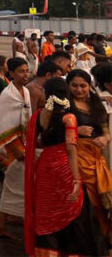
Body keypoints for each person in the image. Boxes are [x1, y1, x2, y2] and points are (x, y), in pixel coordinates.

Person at [24, 76, 107, 257]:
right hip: (64, 166)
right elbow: (70, 149)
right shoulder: (69, 118)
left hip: (45, 166)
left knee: (47, 208)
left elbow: (36, 143)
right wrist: (77, 179)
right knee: (73, 210)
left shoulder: (40, 116)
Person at [0, 57, 31, 240]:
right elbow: (2, 125)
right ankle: (0, 226)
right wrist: (15, 149)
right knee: (13, 185)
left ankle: (12, 217)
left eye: (27, 71)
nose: (25, 74)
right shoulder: (8, 95)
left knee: (19, 185)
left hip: (23, 142)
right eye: (21, 71)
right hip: (11, 146)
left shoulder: (25, 91)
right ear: (11, 73)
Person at [67, 68, 112, 240]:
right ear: (68, 86)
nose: (79, 90)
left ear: (89, 86)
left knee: (101, 203)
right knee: (84, 201)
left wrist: (105, 139)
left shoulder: (96, 104)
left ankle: (101, 238)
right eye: (74, 86)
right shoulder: (65, 105)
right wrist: (75, 130)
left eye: (83, 86)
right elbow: (52, 130)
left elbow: (105, 130)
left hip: (96, 158)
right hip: (75, 158)